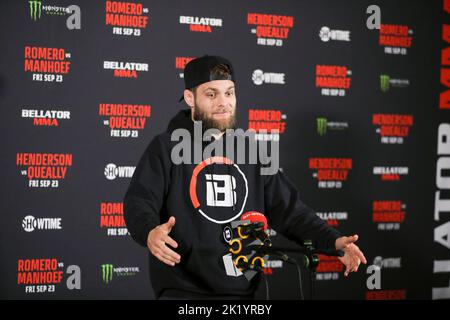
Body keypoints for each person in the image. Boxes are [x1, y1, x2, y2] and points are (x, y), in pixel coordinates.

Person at [124, 55, 367, 300]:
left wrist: (334, 242)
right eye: (211, 94)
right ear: (190, 98)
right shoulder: (165, 147)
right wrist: (149, 232)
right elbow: (139, 202)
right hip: (183, 292)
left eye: (229, 93)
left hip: (244, 292)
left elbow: (291, 211)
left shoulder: (251, 151)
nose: (223, 103)